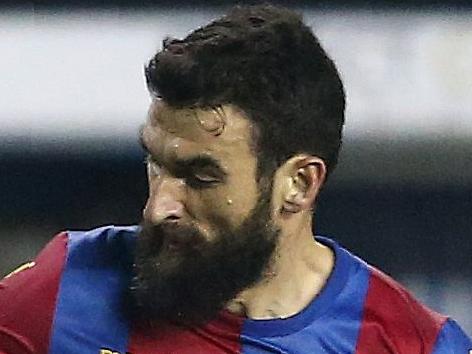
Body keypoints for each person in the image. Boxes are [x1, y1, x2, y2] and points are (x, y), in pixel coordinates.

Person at [0, 4, 470, 354]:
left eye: (200, 176)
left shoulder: (416, 344)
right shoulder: (60, 293)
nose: (158, 206)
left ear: (300, 185)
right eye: (156, 164)